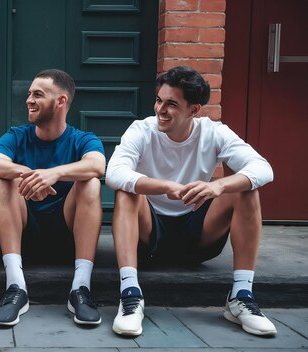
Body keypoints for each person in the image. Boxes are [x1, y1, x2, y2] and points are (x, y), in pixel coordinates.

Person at [106, 66, 277, 337]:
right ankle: (130, 295)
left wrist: (217, 186)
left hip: (198, 233)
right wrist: (165, 186)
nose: (160, 109)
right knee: (126, 191)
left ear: (194, 110)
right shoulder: (142, 129)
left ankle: (241, 296)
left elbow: (263, 168)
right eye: (159, 100)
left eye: (171, 104)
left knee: (246, 189)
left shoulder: (213, 133)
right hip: (150, 234)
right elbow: (113, 173)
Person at [0, 69, 106, 326]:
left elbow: (97, 165)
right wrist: (31, 176)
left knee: (91, 184)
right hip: (23, 235)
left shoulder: (82, 139)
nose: (29, 100)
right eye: (29, 94)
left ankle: (81, 288)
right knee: (4, 180)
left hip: (68, 237)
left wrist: (53, 174)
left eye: (38, 95)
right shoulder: (17, 135)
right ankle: (15, 287)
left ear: (61, 101)